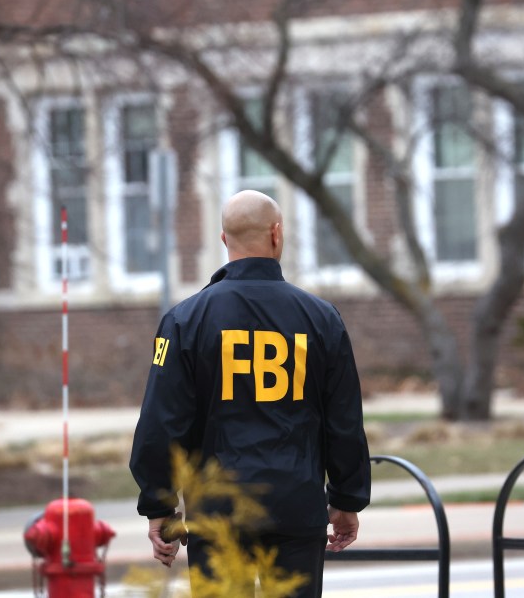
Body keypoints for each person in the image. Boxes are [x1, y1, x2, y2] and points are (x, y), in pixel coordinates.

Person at [129, 189, 371, 597]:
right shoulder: (322, 319)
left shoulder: (186, 320)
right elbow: (343, 419)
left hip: (218, 513)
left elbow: (162, 423)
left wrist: (159, 507)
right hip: (296, 510)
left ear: (225, 241)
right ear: (277, 235)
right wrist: (346, 499)